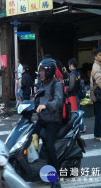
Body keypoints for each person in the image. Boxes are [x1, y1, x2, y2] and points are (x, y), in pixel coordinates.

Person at [34, 58, 63, 188]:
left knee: (50, 146)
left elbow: (58, 101)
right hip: (42, 119)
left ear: (49, 71)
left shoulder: (56, 84)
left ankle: (56, 178)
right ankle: (35, 166)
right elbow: (37, 99)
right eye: (40, 71)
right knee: (30, 137)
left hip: (53, 120)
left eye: (42, 71)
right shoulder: (42, 83)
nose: (40, 73)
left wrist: (45, 105)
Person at [62, 58, 86, 132]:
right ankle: (82, 126)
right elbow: (72, 78)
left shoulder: (73, 74)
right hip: (78, 94)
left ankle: (82, 127)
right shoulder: (77, 73)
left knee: (76, 112)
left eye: (69, 65)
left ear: (71, 65)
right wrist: (66, 72)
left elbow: (71, 86)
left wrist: (64, 88)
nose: (69, 66)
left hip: (74, 95)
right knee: (78, 111)